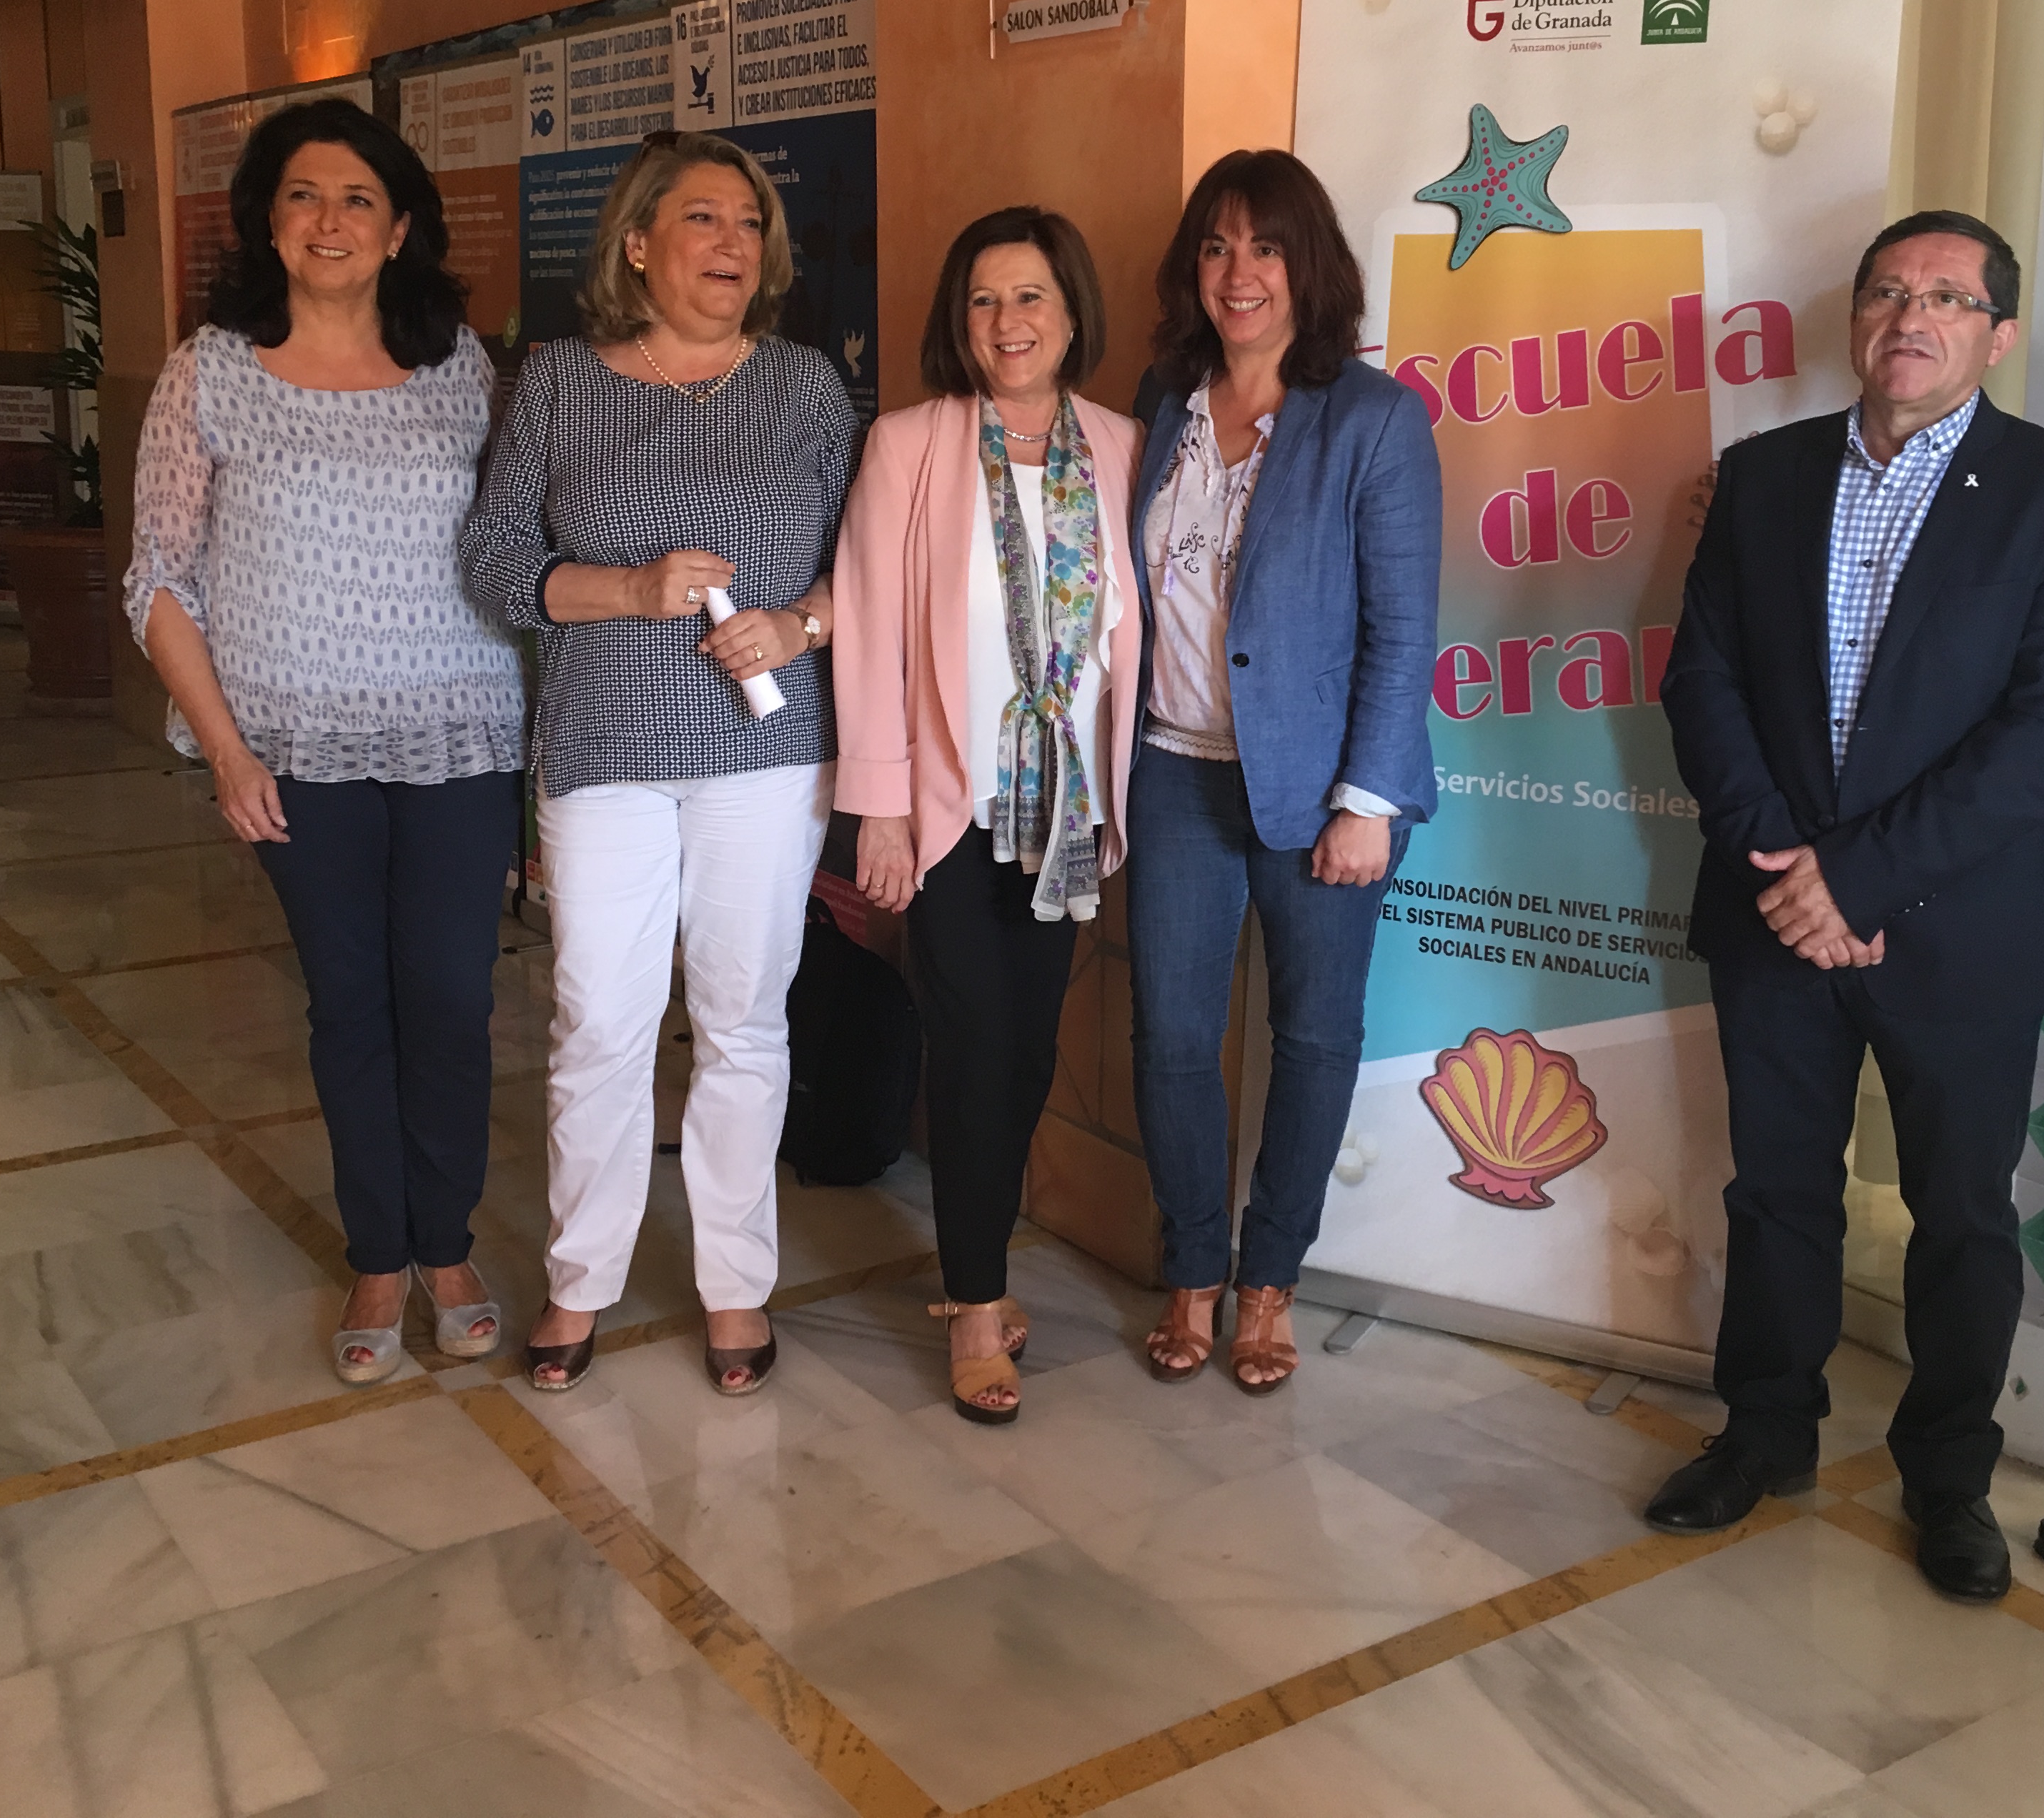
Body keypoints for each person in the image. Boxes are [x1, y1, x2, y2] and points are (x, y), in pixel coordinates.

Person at [1649, 212, 2044, 1597]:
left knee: (1964, 1216)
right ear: (1856, 317)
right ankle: (1764, 1430)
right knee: (1776, 1190)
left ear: (1999, 334)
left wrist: (1852, 878)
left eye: (1949, 298)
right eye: (1888, 292)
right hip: (1773, 910)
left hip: (1961, 924)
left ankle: (1950, 1477)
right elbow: (1703, 680)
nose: (1912, 317)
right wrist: (1782, 864)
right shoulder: (1764, 474)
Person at [124, 96, 524, 1386]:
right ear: (269, 222)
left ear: (401, 228)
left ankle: (447, 1246)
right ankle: (379, 1255)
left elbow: (512, 544)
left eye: (359, 198)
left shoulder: (459, 367)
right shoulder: (209, 372)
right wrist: (226, 750)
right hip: (292, 748)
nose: (331, 219)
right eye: (304, 195)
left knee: (452, 999)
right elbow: (159, 578)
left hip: (462, 736)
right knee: (352, 1001)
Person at [460, 129, 855, 1399]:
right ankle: (581, 1278)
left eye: (750, 223)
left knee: (742, 1021)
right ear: (637, 244)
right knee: (600, 1020)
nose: (733, 243)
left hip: (765, 748)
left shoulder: (805, 387)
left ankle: (736, 1285)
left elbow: (869, 562)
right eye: (703, 219)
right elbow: (494, 562)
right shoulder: (561, 384)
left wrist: (798, 625)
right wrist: (628, 589)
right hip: (604, 744)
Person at [1125, 149, 1441, 1394]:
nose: (1239, 272)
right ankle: (1193, 1270)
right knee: (1170, 1039)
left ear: (1310, 265)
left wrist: (1368, 801)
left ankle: (1269, 1285)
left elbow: (1403, 629)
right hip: (1172, 769)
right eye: (1216, 245)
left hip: (1322, 794)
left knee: (1312, 1039)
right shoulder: (1162, 400)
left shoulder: (1373, 417)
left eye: (1265, 246)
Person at [834, 207, 1145, 1426]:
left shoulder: (1120, 445)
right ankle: (973, 1301)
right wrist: (880, 808)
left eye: (1028, 297)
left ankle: (985, 1256)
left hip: (1066, 807)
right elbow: (867, 626)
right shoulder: (910, 444)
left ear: (1070, 314)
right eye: (982, 299)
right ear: (957, 321)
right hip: (949, 806)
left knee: (1026, 1052)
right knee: (970, 1043)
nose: (1006, 322)